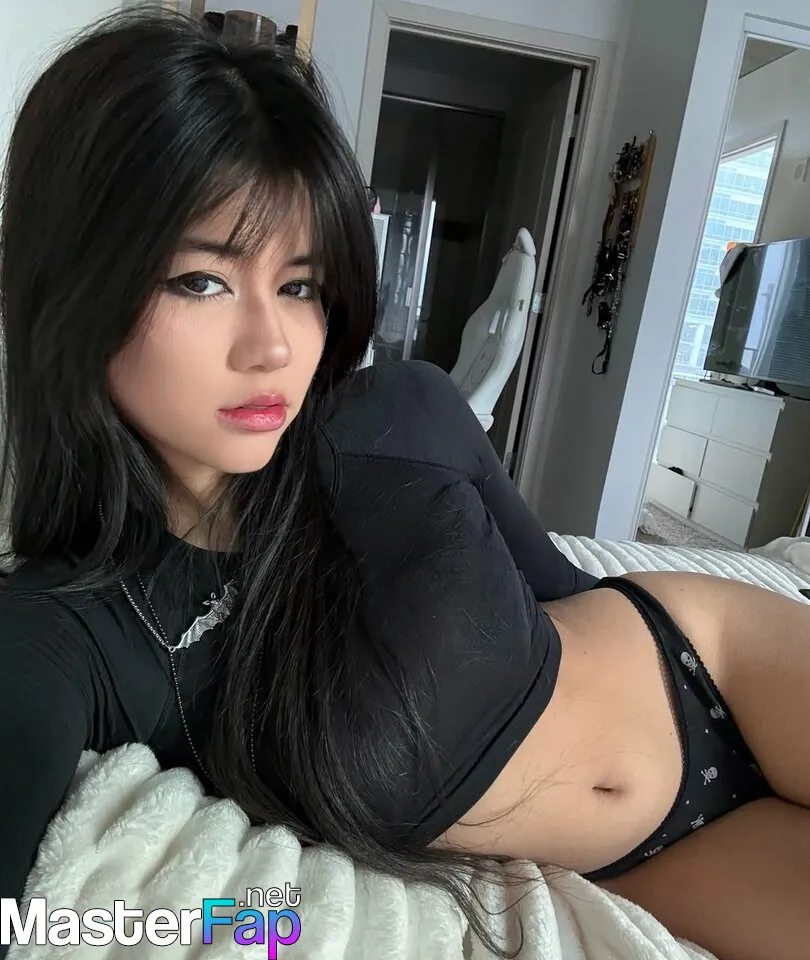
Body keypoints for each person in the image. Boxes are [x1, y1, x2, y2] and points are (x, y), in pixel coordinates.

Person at [0, 12, 808, 960]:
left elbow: (565, 593)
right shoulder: (65, 633)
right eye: (202, 281)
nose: (273, 347)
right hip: (645, 856)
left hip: (711, 656)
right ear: (72, 287)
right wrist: (257, 924)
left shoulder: (397, 416)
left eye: (300, 285)